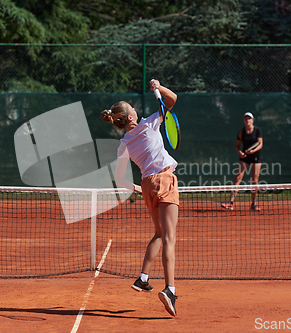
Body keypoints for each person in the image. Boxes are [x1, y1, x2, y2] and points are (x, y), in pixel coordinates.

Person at [101, 79, 179, 316]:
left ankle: (143, 278)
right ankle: (170, 290)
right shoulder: (149, 124)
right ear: (130, 116)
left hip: (146, 185)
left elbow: (120, 181)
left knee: (159, 234)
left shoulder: (124, 143)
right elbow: (172, 99)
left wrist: (140, 188)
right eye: (132, 108)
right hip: (164, 180)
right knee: (169, 239)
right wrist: (159, 86)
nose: (135, 109)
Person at [221, 112, 263, 211]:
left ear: (252, 120)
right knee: (238, 177)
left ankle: (253, 204)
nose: (247, 120)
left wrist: (252, 151)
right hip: (245, 157)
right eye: (245, 118)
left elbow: (260, 144)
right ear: (244, 121)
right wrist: (240, 152)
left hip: (256, 156)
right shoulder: (241, 132)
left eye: (249, 118)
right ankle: (231, 202)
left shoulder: (257, 130)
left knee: (254, 180)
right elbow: (237, 146)